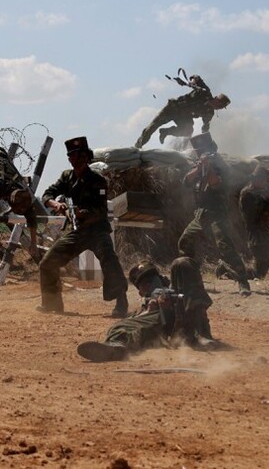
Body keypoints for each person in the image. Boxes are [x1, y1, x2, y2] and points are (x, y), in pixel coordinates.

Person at [38, 137, 129, 316]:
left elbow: (102, 210)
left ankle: (121, 303)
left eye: (80, 157)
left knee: (110, 262)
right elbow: (47, 194)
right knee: (48, 263)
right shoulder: (66, 177)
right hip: (77, 231)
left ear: (87, 158)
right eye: (72, 157)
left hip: (97, 231)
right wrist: (55, 204)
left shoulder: (98, 180)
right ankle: (52, 303)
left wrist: (83, 213)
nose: (76, 161)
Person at [77, 257, 216, 362]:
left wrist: (170, 301)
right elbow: (143, 323)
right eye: (146, 284)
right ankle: (116, 348)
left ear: (162, 279)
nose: (151, 285)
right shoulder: (145, 309)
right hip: (171, 332)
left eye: (154, 280)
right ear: (140, 293)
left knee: (182, 262)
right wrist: (150, 311)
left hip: (188, 316)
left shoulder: (174, 288)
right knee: (119, 325)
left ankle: (201, 333)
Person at [179, 133, 252, 295]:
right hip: (200, 214)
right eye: (198, 151)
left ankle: (242, 281)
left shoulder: (221, 166)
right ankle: (191, 278)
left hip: (217, 214)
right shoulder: (198, 164)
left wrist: (210, 168)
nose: (199, 153)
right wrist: (199, 168)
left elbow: (216, 185)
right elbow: (186, 181)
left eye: (201, 150)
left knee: (225, 246)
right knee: (185, 242)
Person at [134, 74, 230, 148]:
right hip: (173, 108)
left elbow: (205, 128)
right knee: (152, 127)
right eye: (220, 106)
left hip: (184, 117)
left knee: (188, 131)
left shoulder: (209, 112)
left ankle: (165, 132)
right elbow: (196, 77)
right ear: (217, 100)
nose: (220, 108)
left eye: (221, 107)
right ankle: (138, 145)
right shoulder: (205, 92)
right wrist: (192, 82)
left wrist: (206, 144)